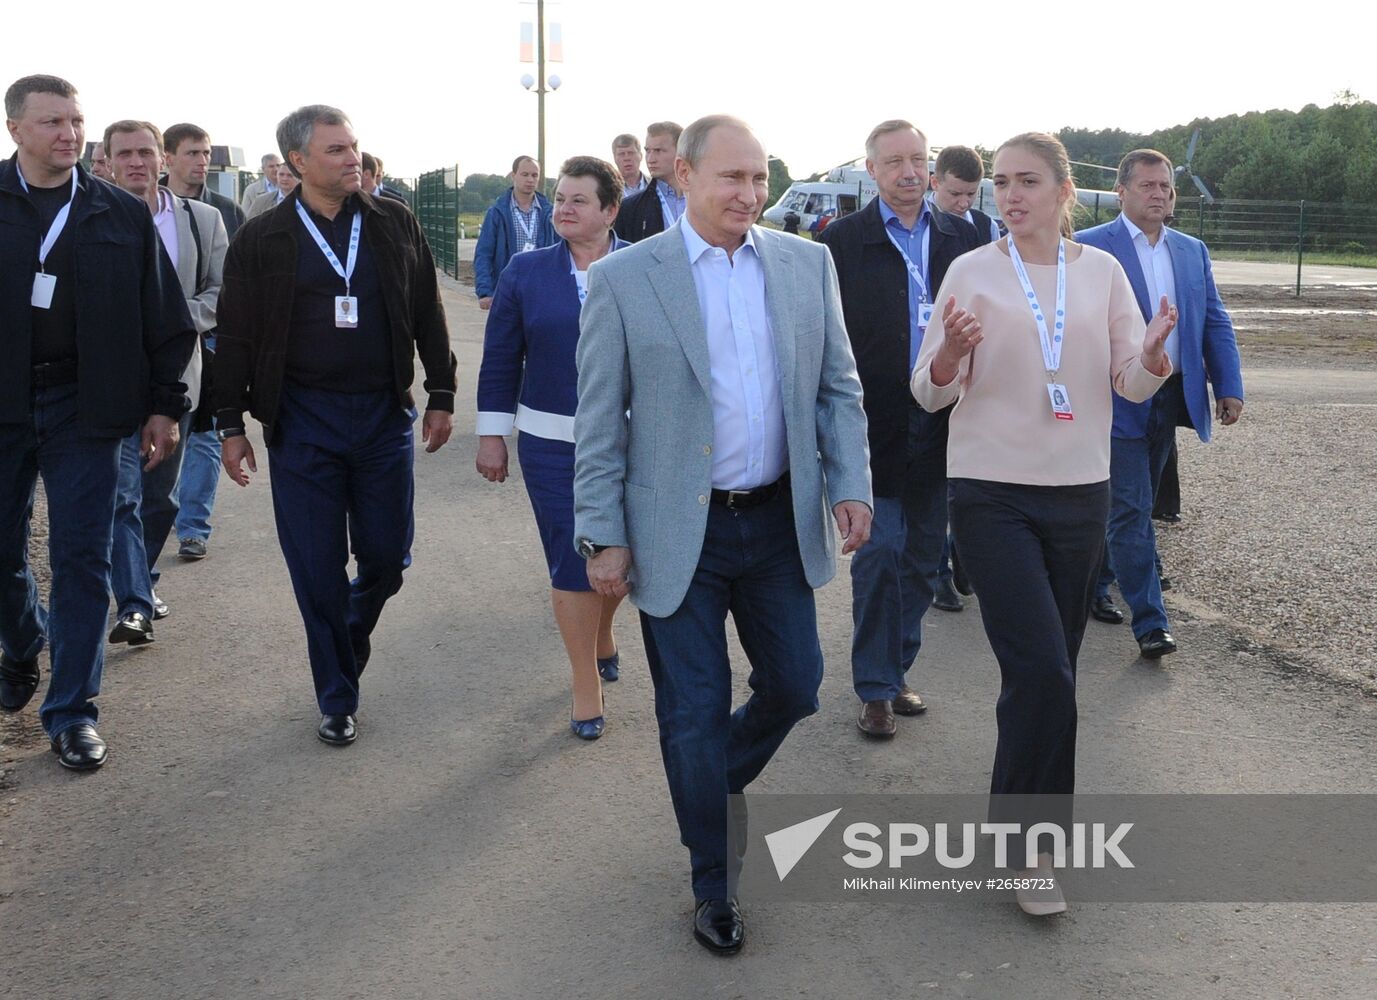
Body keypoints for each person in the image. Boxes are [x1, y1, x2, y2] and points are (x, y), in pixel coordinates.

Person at [574, 115, 872, 955]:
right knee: (692, 714)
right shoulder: (628, 278)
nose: (749, 195)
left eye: (759, 180)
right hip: (676, 535)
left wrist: (849, 483)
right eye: (732, 179)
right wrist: (601, 533)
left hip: (776, 521)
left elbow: (837, 390)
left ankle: (706, 786)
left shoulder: (805, 264)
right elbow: (599, 423)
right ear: (683, 179)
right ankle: (714, 881)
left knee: (798, 684)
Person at [911, 132, 1174, 915]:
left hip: (1078, 493)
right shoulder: (970, 271)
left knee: (1045, 676)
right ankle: (1033, 857)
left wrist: (1155, 355)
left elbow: (1128, 385)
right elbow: (926, 393)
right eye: (1000, 182)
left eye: (1027, 181)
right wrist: (952, 353)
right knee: (1043, 675)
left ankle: (1015, 833)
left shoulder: (1101, 274)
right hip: (990, 493)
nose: (1009, 195)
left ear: (1065, 192)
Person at [215, 104, 457, 748]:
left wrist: (442, 390)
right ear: (297, 162)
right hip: (302, 422)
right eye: (335, 150)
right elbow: (234, 335)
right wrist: (228, 423)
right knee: (316, 568)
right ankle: (337, 694)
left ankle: (346, 636)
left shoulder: (393, 222)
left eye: (354, 147)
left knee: (385, 558)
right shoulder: (262, 237)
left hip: (381, 416)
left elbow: (427, 308)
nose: (353, 159)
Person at [0, 75, 194, 771]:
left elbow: (165, 321)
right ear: (16, 128)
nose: (69, 134)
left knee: (81, 560)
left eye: (76, 121)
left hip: (88, 407)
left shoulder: (118, 213)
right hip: (5, 405)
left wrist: (163, 403)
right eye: (52, 122)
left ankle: (72, 712)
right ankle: (23, 640)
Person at [818, 120, 979, 738]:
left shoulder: (962, 240)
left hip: (942, 419)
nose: (910, 172)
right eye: (895, 162)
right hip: (873, 420)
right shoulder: (841, 243)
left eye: (919, 159)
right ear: (872, 171)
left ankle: (896, 668)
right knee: (880, 551)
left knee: (919, 558)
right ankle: (875, 688)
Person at [476, 156, 630, 739]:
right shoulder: (526, 271)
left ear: (610, 210)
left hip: (632, 446)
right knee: (575, 559)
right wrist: (493, 434)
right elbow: (499, 357)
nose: (562, 209)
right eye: (559, 199)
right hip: (551, 445)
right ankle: (585, 680)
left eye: (577, 201)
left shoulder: (647, 265)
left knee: (623, 558)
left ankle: (604, 629)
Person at [1080, 149, 1243, 655]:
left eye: (1166, 187)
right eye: (1148, 186)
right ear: (1121, 193)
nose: (1159, 194)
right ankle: (1150, 623)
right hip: (1115, 395)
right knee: (1130, 508)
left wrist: (1229, 384)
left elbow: (1213, 319)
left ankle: (1099, 582)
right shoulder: (1087, 249)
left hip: (1169, 397)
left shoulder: (1192, 251)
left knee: (1139, 501)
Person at [103, 119, 226, 639]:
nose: (136, 162)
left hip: (179, 375)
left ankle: (142, 578)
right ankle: (134, 602)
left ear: (161, 159)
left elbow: (223, 291)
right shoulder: (94, 217)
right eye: (124, 153)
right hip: (111, 379)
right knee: (122, 494)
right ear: (107, 162)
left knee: (160, 498)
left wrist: (175, 322)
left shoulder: (204, 220)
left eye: (145, 152)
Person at [474, 156, 555, 309]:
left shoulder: (549, 213)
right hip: (507, 290)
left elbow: (561, 250)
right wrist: (485, 292)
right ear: (513, 176)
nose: (530, 179)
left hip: (541, 289)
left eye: (534, 175)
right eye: (525, 174)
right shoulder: (497, 212)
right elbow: (484, 254)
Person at [162, 122, 244, 239]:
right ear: (168, 159)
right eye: (193, 153)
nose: (202, 161)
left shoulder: (230, 211)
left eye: (206, 153)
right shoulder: (147, 208)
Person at [613, 121, 684, 243]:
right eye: (648, 151)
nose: (650, 159)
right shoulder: (629, 208)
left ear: (680, 151)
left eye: (658, 150)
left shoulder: (707, 197)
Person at [929, 145, 1001, 245]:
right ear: (935, 183)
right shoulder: (915, 225)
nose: (963, 204)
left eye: (971, 194)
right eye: (955, 194)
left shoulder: (988, 228)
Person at [611, 133, 647, 198]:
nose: (626, 158)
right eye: (621, 154)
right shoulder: (607, 188)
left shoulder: (656, 185)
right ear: (614, 158)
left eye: (631, 153)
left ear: (641, 156)